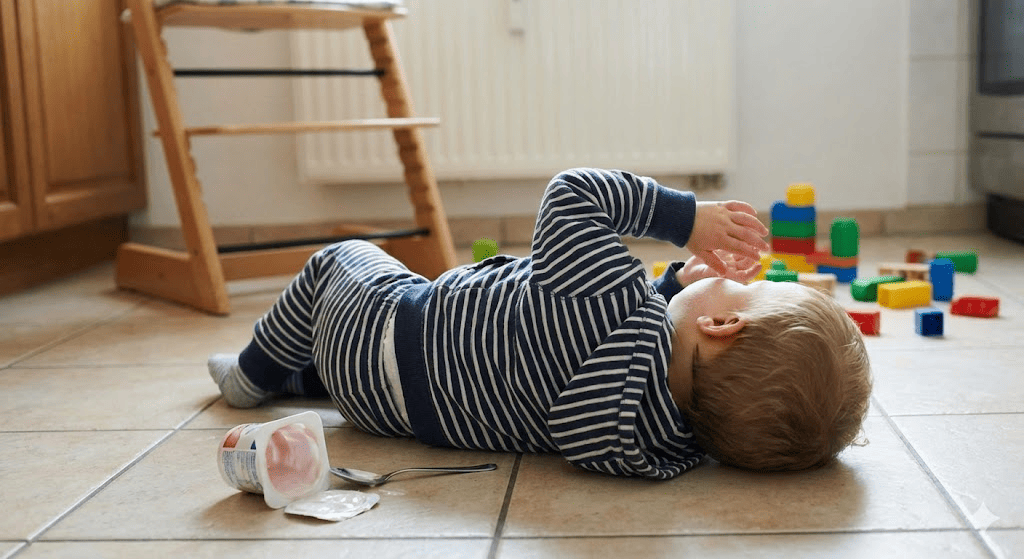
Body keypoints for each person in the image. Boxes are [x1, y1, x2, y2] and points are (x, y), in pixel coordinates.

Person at [209, 168, 871, 478]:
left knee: (341, 261)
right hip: (394, 413)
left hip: (382, 331)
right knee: (354, 343)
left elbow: (570, 195)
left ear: (723, 321)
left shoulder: (605, 298)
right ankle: (309, 373)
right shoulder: (662, 436)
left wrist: (685, 218)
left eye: (752, 291)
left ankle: (254, 375)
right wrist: (671, 290)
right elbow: (638, 347)